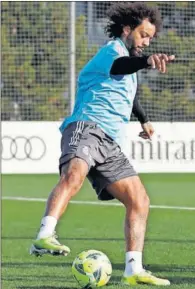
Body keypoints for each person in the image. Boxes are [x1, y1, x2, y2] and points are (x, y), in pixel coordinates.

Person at [29, 2, 174, 286]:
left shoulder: (127, 63)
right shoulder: (113, 51)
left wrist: (143, 119)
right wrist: (146, 61)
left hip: (110, 141)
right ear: (127, 29)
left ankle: (133, 269)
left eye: (150, 39)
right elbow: (121, 66)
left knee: (139, 200)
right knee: (74, 174)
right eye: (144, 35)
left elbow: (129, 94)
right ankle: (44, 235)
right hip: (87, 126)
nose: (146, 42)